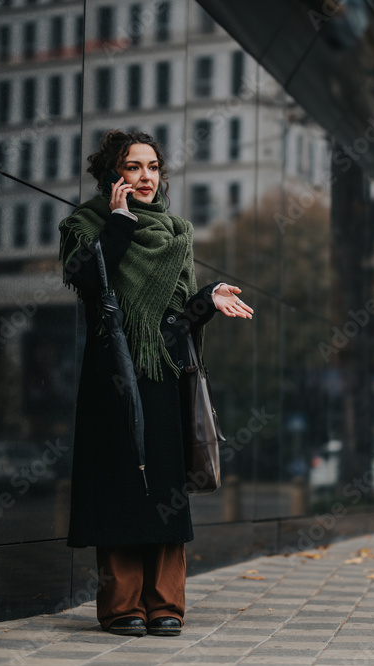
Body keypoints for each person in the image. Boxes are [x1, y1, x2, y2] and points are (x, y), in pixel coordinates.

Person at [58, 130, 253, 638]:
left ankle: (166, 603)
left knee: (166, 491)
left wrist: (208, 299)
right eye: (133, 167)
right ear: (112, 176)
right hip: (114, 376)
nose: (146, 177)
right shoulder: (87, 224)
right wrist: (119, 224)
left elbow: (178, 320)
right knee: (121, 488)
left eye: (152, 167)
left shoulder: (177, 233)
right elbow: (86, 279)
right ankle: (122, 605)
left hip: (164, 376)